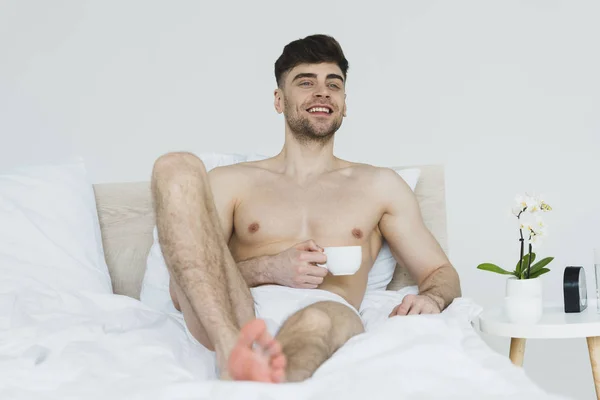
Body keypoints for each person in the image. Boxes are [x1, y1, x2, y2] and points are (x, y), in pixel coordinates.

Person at [150, 34, 461, 384]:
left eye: (334, 84)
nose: (323, 92)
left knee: (315, 322)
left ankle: (260, 384)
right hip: (233, 312)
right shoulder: (231, 182)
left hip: (327, 308)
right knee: (174, 166)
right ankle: (233, 353)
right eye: (306, 82)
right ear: (279, 100)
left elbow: (440, 272)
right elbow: (183, 291)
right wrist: (270, 268)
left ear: (344, 103)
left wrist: (433, 300)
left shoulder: (379, 185)